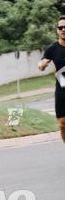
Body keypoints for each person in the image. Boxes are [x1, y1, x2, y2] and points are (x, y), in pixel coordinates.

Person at [38, 15, 65, 145]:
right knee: (62, 124)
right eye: (61, 27)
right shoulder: (52, 48)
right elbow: (42, 63)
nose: (63, 29)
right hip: (61, 89)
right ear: (57, 30)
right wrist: (42, 65)